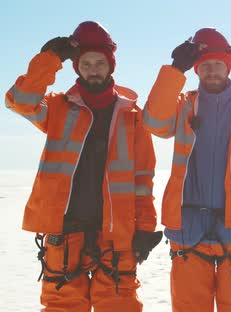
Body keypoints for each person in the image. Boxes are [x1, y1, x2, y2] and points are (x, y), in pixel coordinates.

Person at [4, 21, 161, 311]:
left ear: (110, 66)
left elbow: (143, 177)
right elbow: (19, 102)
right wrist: (49, 60)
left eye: (99, 63)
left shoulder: (132, 116)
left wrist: (146, 227)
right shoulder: (59, 107)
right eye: (85, 63)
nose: (93, 69)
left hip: (115, 235)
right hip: (64, 232)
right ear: (77, 68)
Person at [142, 28, 231, 312]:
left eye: (218, 64)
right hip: (188, 228)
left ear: (228, 66)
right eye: (204, 65)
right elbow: (153, 122)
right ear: (195, 69)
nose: (212, 71)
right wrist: (173, 72)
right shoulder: (183, 106)